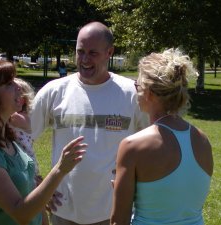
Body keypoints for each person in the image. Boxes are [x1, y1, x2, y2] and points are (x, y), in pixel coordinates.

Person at [30, 21, 148, 225]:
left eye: (93, 53)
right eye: (80, 51)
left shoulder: (132, 94)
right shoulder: (54, 91)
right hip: (63, 210)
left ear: (109, 52)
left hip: (113, 213)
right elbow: (20, 138)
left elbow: (154, 144)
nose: (84, 59)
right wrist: (36, 183)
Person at [0, 59, 87, 225]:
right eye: (9, 83)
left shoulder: (10, 139)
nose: (18, 87)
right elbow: (21, 213)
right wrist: (60, 170)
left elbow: (31, 195)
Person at [110, 48, 214, 225]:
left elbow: (118, 221)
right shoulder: (202, 140)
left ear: (149, 93)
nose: (136, 91)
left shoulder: (132, 146)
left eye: (138, 86)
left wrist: (121, 192)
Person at [9, 77, 49, 225]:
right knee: (36, 202)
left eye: (19, 96)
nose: (16, 99)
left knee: (36, 202)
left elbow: (8, 119)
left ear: (25, 100)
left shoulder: (21, 118)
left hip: (27, 164)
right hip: (19, 163)